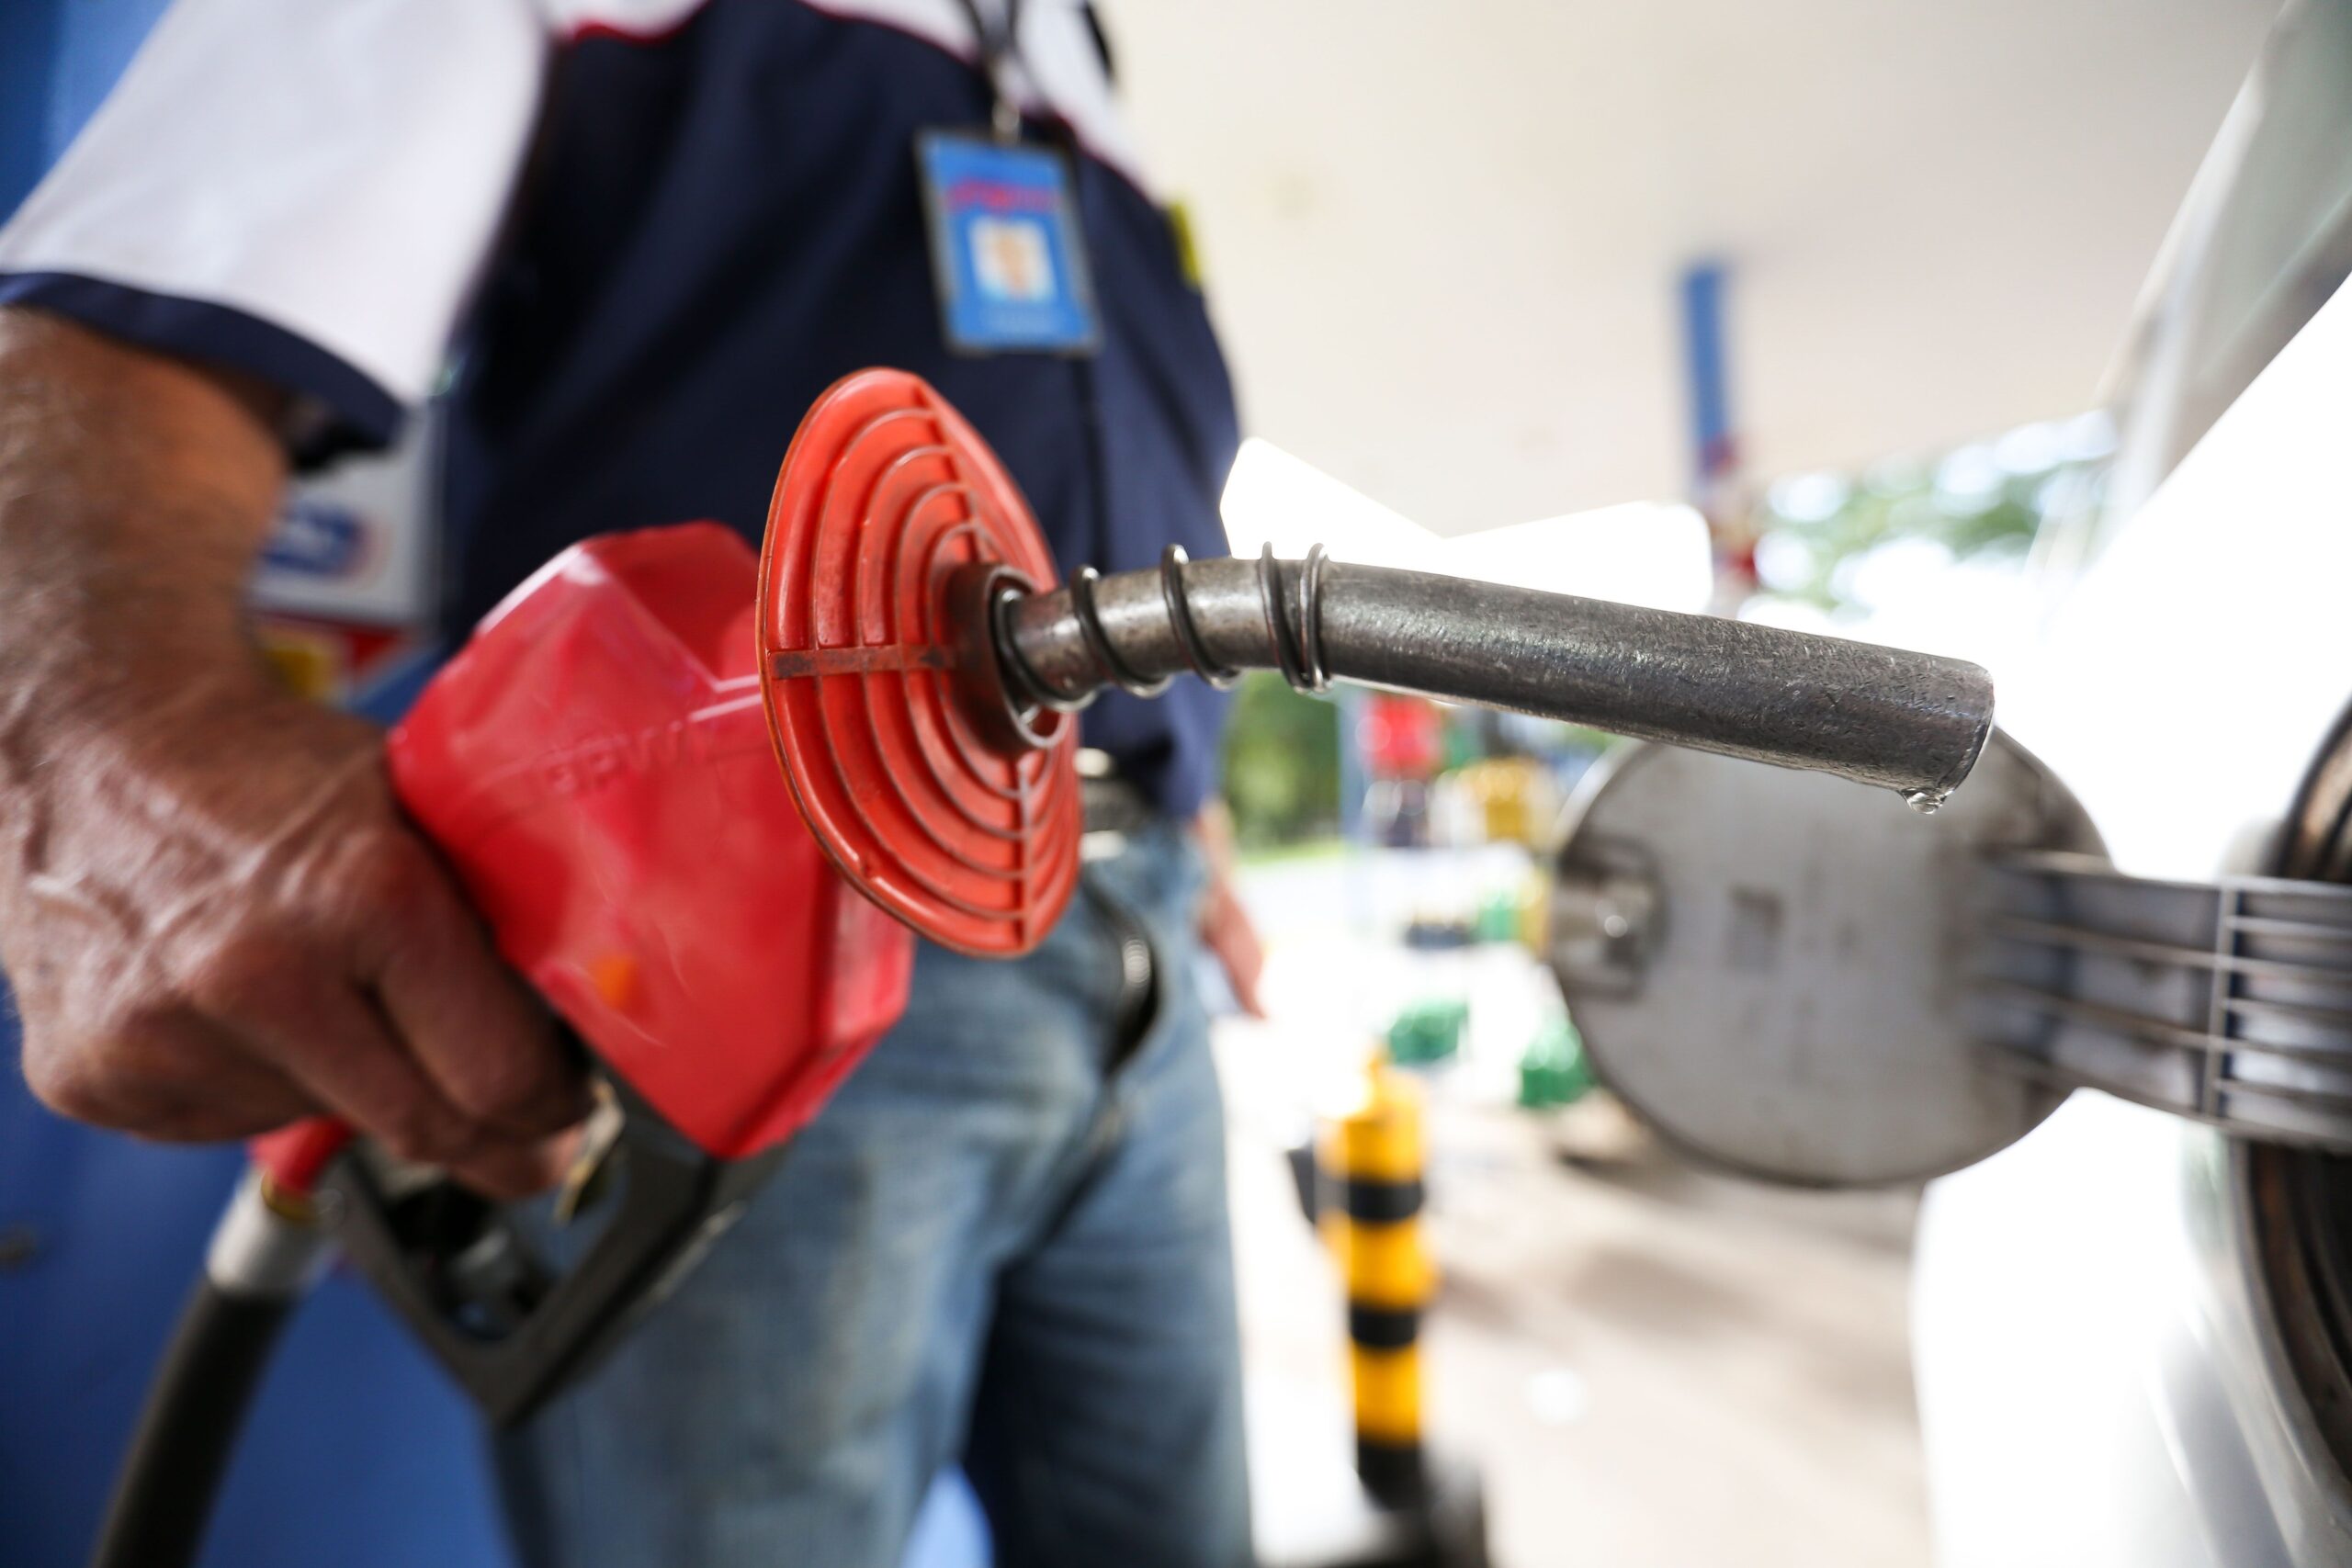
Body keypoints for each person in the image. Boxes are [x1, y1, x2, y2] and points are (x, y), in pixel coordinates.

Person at [0, 2, 1264, 1564]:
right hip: (749, 945)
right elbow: (149, 302)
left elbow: (1095, 471)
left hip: (1133, 949)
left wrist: (1179, 810)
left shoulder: (1071, 46)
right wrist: (91, 719)